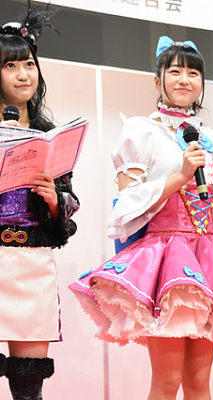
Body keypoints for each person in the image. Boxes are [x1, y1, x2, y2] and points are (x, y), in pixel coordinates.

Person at [69, 36, 213, 400]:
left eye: (193, 73)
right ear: (158, 80)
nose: (185, 79)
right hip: (165, 257)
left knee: (200, 383)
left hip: (207, 257)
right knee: (167, 381)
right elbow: (128, 203)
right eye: (175, 72)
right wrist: (181, 175)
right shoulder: (141, 130)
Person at [0, 2, 79, 399]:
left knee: (29, 387)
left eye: (29, 64)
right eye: (10, 65)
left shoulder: (50, 133)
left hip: (33, 264)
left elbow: (69, 206)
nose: (23, 74)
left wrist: (53, 200)